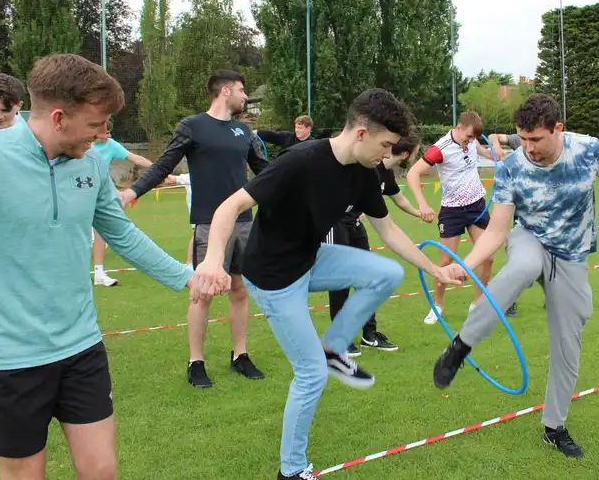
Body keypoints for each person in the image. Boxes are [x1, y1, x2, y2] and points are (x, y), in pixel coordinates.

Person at [191, 88, 460, 480]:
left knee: (386, 273)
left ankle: (335, 346)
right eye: (385, 144)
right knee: (311, 373)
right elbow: (229, 207)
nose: (387, 156)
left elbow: (388, 232)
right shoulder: (298, 161)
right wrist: (213, 260)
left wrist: (436, 271)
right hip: (274, 278)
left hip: (310, 259)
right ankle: (292, 470)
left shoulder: (366, 174)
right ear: (362, 134)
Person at [0, 54, 222, 480]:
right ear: (59, 117)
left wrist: (189, 277)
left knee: (101, 471)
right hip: (10, 359)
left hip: (81, 346)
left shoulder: (92, 164)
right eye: (97, 125)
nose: (103, 136)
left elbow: (123, 235)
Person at [432, 94, 599, 459]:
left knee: (568, 343)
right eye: (523, 138)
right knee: (523, 266)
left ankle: (554, 426)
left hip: (573, 253)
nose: (528, 148)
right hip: (529, 238)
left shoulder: (589, 149)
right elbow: (498, 231)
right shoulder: (512, 166)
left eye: (536, 139)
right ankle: (461, 345)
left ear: (558, 129)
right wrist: (465, 264)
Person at [118, 70, 268, 388]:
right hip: (208, 224)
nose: (245, 96)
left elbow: (266, 172)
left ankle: (239, 355)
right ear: (225, 91)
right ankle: (195, 362)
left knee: (240, 290)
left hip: (244, 223)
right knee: (202, 293)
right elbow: (163, 165)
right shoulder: (192, 127)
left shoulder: (244, 131)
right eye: (242, 90)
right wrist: (132, 192)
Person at [325, 133, 424, 356]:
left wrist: (420, 213)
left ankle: (369, 335)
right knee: (340, 282)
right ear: (406, 153)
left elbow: (399, 200)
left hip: (354, 225)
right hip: (335, 222)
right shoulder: (366, 165)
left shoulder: (386, 174)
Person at [406, 111, 496, 324]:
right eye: (468, 136)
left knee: (488, 256)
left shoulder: (472, 142)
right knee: (446, 260)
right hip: (452, 210)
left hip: (476, 205)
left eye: (473, 138)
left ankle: (477, 303)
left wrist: (493, 154)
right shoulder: (441, 148)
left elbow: (483, 151)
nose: (470, 141)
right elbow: (413, 173)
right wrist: (422, 203)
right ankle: (437, 305)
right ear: (459, 127)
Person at [90, 120, 176, 287]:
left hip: (100, 194)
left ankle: (99, 273)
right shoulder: (82, 145)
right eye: (105, 133)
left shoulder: (111, 145)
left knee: (101, 230)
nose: (108, 136)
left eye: (109, 133)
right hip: (78, 192)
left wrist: (160, 171)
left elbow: (134, 158)